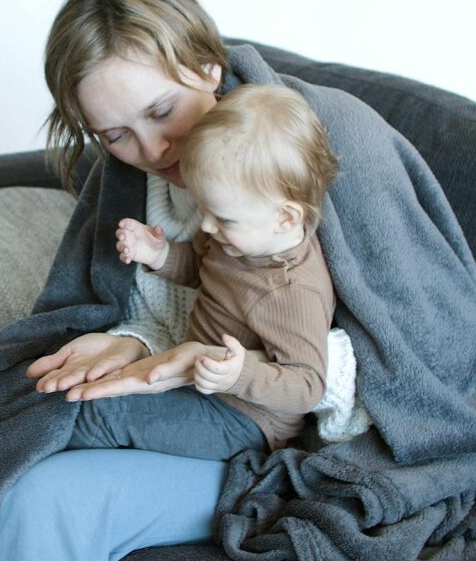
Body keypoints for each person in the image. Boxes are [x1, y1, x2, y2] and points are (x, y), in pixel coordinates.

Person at [0, 0, 362, 561]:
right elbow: (163, 285)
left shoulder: (286, 154)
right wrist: (130, 336)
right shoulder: (132, 183)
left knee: (36, 478)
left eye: (162, 112)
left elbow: (369, 347)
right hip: (178, 383)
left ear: (208, 65)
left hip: (242, 417)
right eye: (116, 134)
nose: (152, 151)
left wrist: (224, 366)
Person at [66, 84, 339, 460]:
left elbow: (308, 385)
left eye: (222, 217)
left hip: (246, 418)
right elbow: (199, 268)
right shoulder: (237, 237)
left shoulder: (291, 291)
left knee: (101, 414)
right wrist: (159, 254)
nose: (206, 226)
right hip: (196, 384)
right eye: (203, 208)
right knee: (88, 395)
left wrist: (239, 374)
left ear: (286, 217)